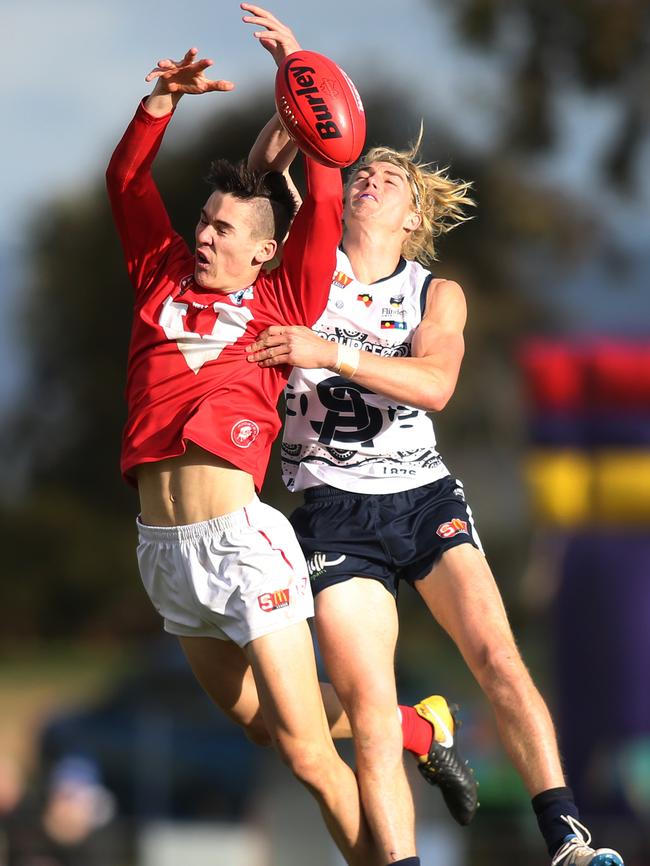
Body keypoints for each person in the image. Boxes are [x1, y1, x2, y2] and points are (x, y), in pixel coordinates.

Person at [243, 19, 626, 866]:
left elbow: (436, 386)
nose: (371, 177)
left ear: (415, 217)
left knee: (496, 653)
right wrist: (294, 81)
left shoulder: (433, 293)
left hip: (421, 496)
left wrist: (330, 351)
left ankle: (566, 837)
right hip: (332, 507)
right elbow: (265, 171)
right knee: (370, 711)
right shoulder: (304, 257)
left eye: (387, 176)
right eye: (364, 170)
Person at [105, 9, 378, 864]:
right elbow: (125, 184)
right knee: (265, 731)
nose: (206, 234)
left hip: (242, 544)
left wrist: (302, 73)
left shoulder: (281, 302)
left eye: (225, 229)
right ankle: (409, 725)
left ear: (266, 252)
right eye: (206, 221)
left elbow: (326, 190)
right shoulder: (158, 276)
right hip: (165, 551)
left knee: (306, 752)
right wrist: (159, 102)